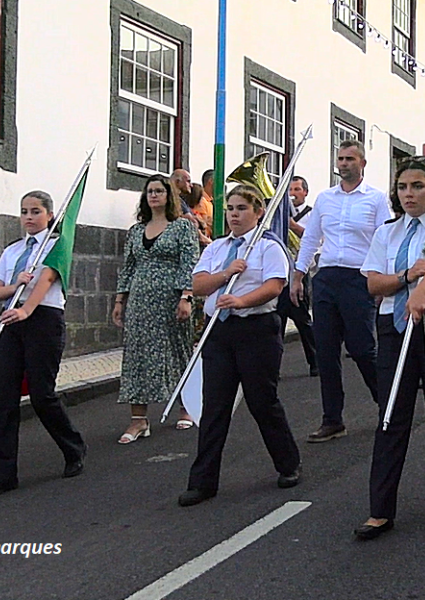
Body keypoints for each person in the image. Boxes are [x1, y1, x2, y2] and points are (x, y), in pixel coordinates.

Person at [354, 157, 425, 539]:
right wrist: (406, 277)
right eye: (403, 187)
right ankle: (380, 509)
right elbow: (373, 284)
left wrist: (422, 290)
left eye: (418, 186)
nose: (409, 194)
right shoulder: (386, 233)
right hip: (394, 325)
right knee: (391, 412)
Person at [179, 185, 301, 506]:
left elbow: (275, 285)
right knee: (214, 406)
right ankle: (202, 481)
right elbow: (197, 283)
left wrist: (241, 299)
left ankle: (288, 463)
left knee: (262, 401)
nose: (234, 214)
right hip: (219, 332)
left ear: (258, 212)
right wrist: (225, 275)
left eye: (242, 208)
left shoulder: (267, 247)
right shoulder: (216, 249)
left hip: (256, 330)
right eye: (230, 208)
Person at [0, 191, 86, 499]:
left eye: (35, 211)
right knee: (4, 397)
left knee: (42, 394)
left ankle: (73, 447)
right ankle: (4, 474)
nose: (29, 217)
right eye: (24, 211)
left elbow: (46, 281)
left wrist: (26, 308)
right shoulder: (13, 251)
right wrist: (16, 286)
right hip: (11, 321)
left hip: (44, 320)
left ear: (49, 215)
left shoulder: (56, 246)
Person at [292, 140, 390, 442]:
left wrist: (381, 281)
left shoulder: (375, 199)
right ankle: (332, 419)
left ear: (362, 163)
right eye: (340, 158)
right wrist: (298, 274)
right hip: (326, 276)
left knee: (362, 349)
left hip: (358, 278)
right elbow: (311, 238)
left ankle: (387, 406)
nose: (343, 164)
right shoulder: (325, 199)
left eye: (349, 159)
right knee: (326, 351)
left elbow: (384, 240)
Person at [113, 175, 200, 441]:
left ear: (168, 196)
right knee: (137, 355)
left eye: (159, 191)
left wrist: (186, 296)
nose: (154, 195)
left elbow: (190, 261)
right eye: (150, 191)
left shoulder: (181, 228)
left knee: (176, 351)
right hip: (140, 300)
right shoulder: (136, 231)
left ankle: (186, 408)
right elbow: (128, 267)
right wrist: (119, 301)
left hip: (171, 299)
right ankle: (138, 420)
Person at [277, 175, 318, 376]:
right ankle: (272, 366)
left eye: (296, 190)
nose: (292, 194)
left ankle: (315, 362)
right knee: (277, 322)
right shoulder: (278, 214)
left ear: (305, 193)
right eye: (290, 190)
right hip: (280, 272)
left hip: (300, 273)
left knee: (302, 320)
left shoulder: (312, 215)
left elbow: (315, 239)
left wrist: (293, 225)